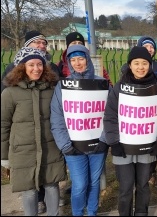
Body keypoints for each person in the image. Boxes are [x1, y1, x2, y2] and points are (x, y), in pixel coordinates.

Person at [103, 46, 157, 216]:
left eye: (145, 63)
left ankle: (142, 213)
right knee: (125, 187)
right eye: (136, 63)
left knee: (143, 184)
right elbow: (110, 117)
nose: (141, 67)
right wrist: (114, 142)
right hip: (123, 147)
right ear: (130, 65)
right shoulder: (119, 88)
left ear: (150, 65)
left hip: (147, 145)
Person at [1, 47, 66, 216]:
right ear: (22, 67)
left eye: (40, 64)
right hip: (23, 150)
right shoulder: (10, 93)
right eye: (31, 64)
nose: (36, 68)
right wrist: (4, 156)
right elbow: (3, 125)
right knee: (29, 190)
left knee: (52, 185)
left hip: (50, 147)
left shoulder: (52, 90)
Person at [50, 44, 110, 216]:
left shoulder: (102, 84)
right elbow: (57, 118)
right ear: (68, 63)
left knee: (94, 182)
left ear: (87, 60)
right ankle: (78, 213)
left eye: (81, 59)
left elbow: (111, 114)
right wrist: (65, 145)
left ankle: (92, 212)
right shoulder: (63, 87)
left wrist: (104, 140)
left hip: (98, 144)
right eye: (73, 60)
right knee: (79, 185)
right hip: (73, 146)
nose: (77, 63)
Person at [121, 36, 157, 189]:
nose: (141, 67)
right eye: (146, 46)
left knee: (149, 152)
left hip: (151, 115)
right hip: (133, 119)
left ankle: (150, 174)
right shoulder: (124, 74)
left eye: (152, 46)